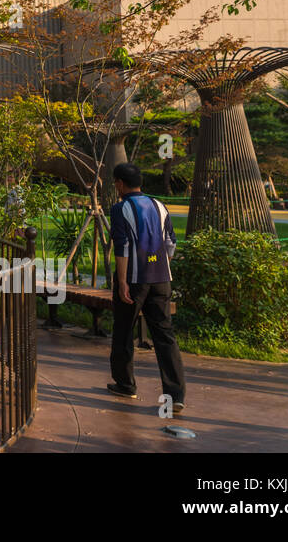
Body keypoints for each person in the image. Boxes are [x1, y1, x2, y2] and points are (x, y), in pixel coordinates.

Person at [107, 162, 186, 415]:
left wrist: (122, 282)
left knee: (123, 331)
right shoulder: (160, 206)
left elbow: (123, 248)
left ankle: (126, 384)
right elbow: (171, 243)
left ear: (119, 183)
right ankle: (175, 396)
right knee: (164, 336)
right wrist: (159, 266)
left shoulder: (120, 209)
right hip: (161, 279)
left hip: (133, 280)